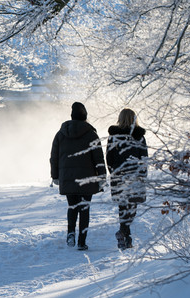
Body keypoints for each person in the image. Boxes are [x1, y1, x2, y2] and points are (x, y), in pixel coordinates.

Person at [50, 102, 107, 251]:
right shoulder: (90, 134)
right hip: (87, 179)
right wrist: (102, 177)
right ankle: (82, 242)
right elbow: (98, 158)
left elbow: (54, 157)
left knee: (72, 206)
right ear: (85, 116)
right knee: (84, 209)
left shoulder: (60, 134)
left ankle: (70, 232)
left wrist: (55, 176)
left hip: (68, 177)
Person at [106, 108, 149, 250]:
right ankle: (124, 234)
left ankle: (125, 236)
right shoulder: (139, 137)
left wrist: (113, 172)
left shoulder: (113, 137)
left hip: (119, 175)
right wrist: (143, 174)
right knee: (132, 206)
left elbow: (109, 157)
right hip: (135, 176)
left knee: (123, 206)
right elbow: (144, 157)